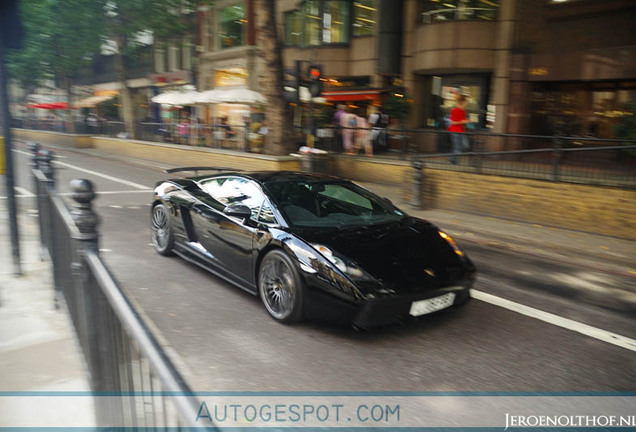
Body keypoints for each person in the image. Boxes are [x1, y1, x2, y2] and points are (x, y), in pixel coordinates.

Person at [447, 94, 472, 164]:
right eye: (466, 101)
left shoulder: (463, 111)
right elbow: (452, 123)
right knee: (456, 147)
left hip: (461, 130)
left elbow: (462, 121)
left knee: (465, 146)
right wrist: (462, 122)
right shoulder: (455, 110)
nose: (467, 103)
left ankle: (452, 158)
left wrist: (467, 121)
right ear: (462, 102)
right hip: (454, 131)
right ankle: (453, 161)